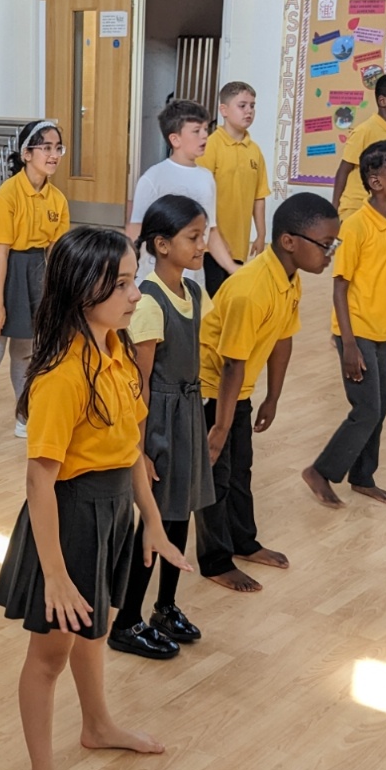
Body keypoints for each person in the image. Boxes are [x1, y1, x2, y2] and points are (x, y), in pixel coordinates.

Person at [0, 227, 190, 770]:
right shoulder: (61, 374)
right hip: (71, 517)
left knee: (96, 628)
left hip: (113, 512)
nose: (136, 295)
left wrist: (151, 521)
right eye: (123, 284)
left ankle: (98, 725)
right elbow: (39, 481)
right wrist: (54, 574)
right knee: (50, 654)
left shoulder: (116, 350)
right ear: (85, 290)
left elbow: (130, 450)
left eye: (134, 281)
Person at [197, 193, 339, 593]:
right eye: (325, 245)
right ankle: (215, 561)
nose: (329, 254)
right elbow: (230, 364)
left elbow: (282, 340)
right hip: (210, 391)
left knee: (240, 470)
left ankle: (243, 542)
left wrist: (273, 397)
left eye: (333, 245)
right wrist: (220, 428)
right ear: (290, 241)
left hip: (237, 391)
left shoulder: (289, 280)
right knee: (215, 477)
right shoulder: (251, 289)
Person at [109, 196, 215, 660]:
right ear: (162, 244)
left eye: (203, 235)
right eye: (193, 237)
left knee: (180, 513)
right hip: (160, 422)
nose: (202, 244)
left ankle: (165, 608)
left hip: (188, 411)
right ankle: (127, 620)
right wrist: (142, 448)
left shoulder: (192, 291)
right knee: (155, 522)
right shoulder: (149, 301)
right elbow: (142, 383)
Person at [301, 141, 386, 509]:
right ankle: (320, 471)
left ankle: (364, 477)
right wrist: (348, 344)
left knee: (379, 408)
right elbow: (340, 287)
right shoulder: (354, 227)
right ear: (377, 182)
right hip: (356, 334)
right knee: (366, 409)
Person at [0, 120, 70, 460]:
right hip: (7, 271)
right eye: (46, 148)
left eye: (58, 148)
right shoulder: (8, 194)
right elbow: (1, 254)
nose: (53, 155)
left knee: (24, 353)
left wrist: (56, 296)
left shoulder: (57, 199)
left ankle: (23, 416)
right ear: (27, 154)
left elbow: (55, 254)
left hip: (37, 274)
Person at [125, 98, 237, 287]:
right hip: (155, 277)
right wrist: (126, 274)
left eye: (206, 129)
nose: (204, 136)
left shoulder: (207, 178)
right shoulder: (153, 178)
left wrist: (232, 268)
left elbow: (211, 230)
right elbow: (135, 230)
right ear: (175, 139)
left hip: (192, 277)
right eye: (196, 131)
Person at [197, 81, 270, 295]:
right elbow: (201, 199)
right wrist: (217, 237)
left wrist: (261, 234)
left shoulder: (255, 151)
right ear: (224, 110)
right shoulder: (210, 146)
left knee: (232, 297)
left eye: (252, 106)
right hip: (210, 245)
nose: (249, 111)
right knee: (214, 299)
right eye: (242, 105)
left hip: (239, 244)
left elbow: (259, 196)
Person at [331, 73, 386, 220]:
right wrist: (333, 209)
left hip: (380, 209)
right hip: (356, 207)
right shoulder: (364, 131)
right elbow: (344, 169)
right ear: (382, 101)